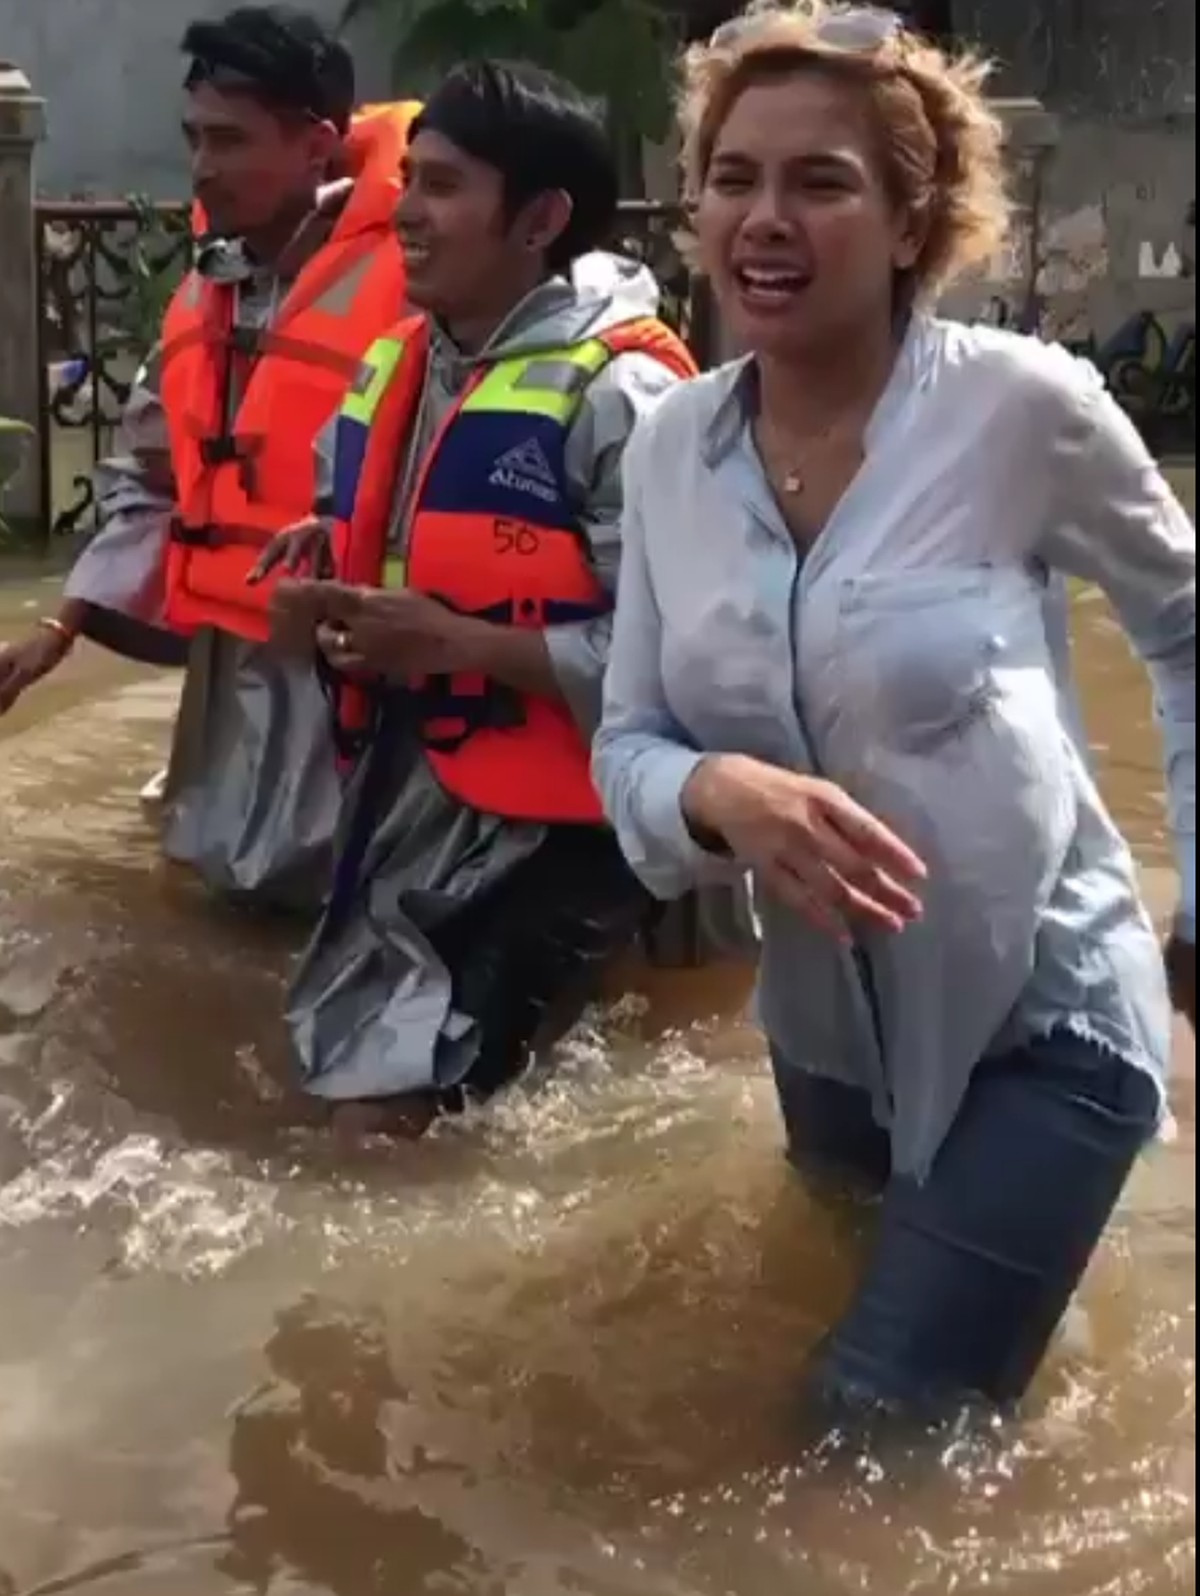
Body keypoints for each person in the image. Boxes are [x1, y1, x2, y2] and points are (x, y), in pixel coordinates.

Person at [593, 0, 1197, 1419]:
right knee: (838, 1326)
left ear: (915, 219)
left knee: (868, 1420)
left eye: (822, 182)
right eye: (733, 178)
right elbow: (627, 740)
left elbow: (1182, 623)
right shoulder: (672, 445)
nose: (764, 219)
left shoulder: (1020, 411)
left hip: (1044, 1012)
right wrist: (717, 795)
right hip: (826, 1036)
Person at [259, 60, 697, 1136]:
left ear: (542, 218)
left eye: (444, 187)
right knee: (334, 1090)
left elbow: (688, 665)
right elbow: (386, 528)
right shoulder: (405, 361)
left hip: (566, 824)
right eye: (409, 178)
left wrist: (462, 644)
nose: (404, 211)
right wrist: (333, 575)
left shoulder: (625, 396)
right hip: (419, 791)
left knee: (406, 1129)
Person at [0, 7, 419, 914]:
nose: (202, 168)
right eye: (194, 138)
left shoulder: (421, 279)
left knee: (355, 902)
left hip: (371, 669)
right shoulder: (209, 290)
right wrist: (61, 629)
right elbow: (150, 478)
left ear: (316, 145)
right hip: (237, 667)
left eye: (229, 141)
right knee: (216, 891)